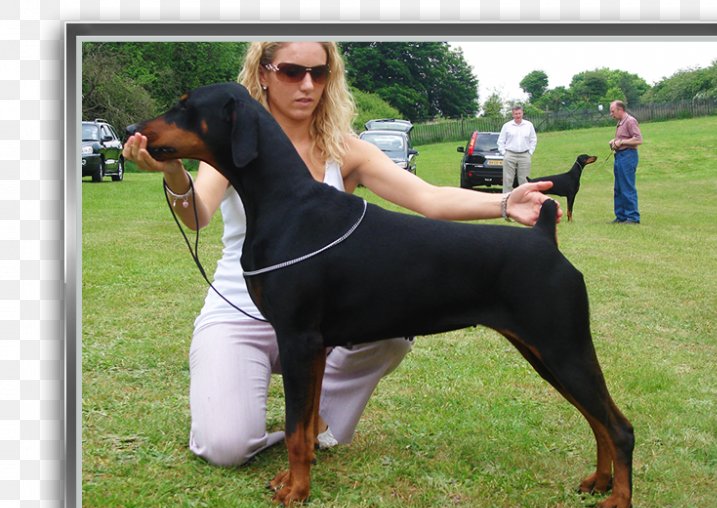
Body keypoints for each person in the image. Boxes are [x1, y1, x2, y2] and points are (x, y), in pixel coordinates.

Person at [123, 41, 557, 468]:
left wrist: (504, 204)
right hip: (241, 312)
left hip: (321, 316)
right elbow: (197, 215)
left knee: (392, 326)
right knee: (226, 447)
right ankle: (294, 427)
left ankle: (319, 421)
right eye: (293, 71)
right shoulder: (235, 143)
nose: (307, 85)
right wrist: (174, 171)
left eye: (320, 72)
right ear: (263, 74)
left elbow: (428, 198)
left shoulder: (343, 148)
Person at [608, 100, 643, 224]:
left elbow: (638, 139)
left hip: (628, 156)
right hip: (619, 156)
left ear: (620, 110)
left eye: (612, 111)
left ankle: (632, 217)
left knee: (627, 186)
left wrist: (621, 142)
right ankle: (621, 216)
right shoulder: (620, 122)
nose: (611, 114)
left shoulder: (630, 121)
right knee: (618, 188)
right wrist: (615, 141)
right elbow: (625, 138)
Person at [497, 106, 538, 193]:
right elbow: (501, 141)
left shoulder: (529, 125)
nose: (518, 115)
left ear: (522, 113)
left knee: (524, 180)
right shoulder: (507, 126)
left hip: (524, 155)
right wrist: (504, 153)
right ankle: (506, 199)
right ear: (513, 115)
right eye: (516, 114)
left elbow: (533, 139)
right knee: (508, 179)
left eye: (519, 113)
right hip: (510, 154)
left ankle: (523, 200)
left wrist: (530, 152)